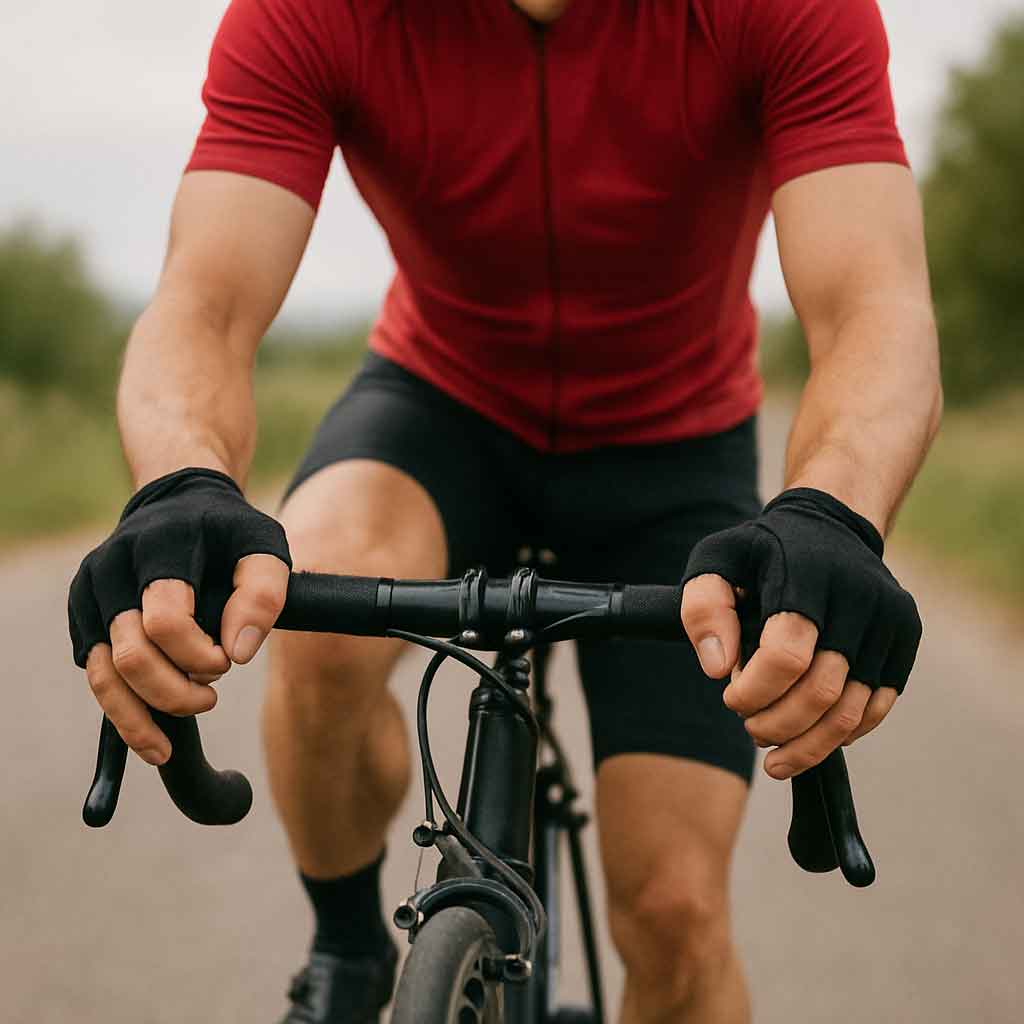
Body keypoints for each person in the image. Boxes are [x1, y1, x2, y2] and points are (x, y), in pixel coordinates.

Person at [67, 1, 941, 1021]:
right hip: (440, 409)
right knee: (312, 608)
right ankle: (349, 949)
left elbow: (874, 304)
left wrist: (832, 512)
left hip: (674, 445)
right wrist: (179, 482)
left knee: (672, 908)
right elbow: (202, 300)